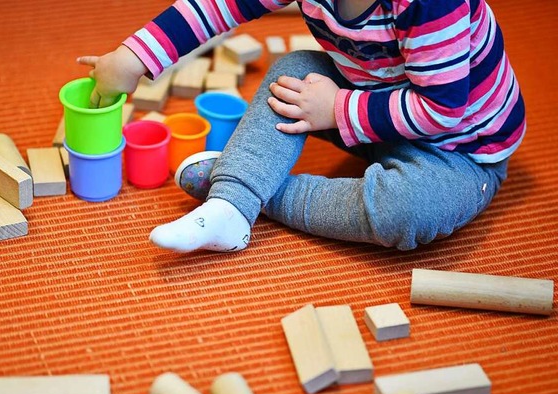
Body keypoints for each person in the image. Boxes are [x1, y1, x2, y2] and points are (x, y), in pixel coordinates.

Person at [78, 0, 525, 253]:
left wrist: (337, 110)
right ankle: (232, 206)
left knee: (405, 211)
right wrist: (133, 58)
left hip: (459, 149)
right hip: (367, 102)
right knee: (293, 72)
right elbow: (216, 8)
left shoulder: (431, 4)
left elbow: (443, 109)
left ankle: (248, 189)